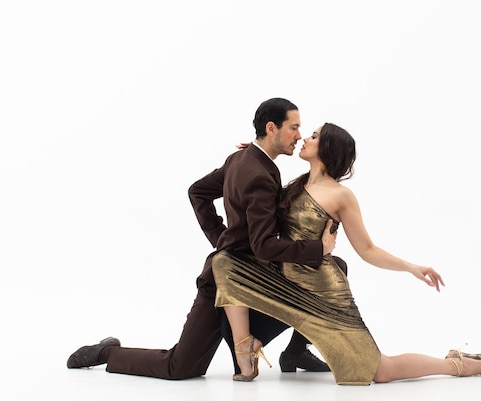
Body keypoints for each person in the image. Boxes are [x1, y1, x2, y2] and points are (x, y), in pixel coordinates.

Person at [66, 98, 345, 378]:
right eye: (294, 127)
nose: (299, 135)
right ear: (272, 128)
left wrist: (222, 239)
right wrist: (315, 248)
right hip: (224, 284)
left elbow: (197, 191)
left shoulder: (245, 159)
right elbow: (262, 244)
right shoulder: (257, 171)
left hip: (251, 279)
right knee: (180, 367)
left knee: (333, 270)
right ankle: (107, 352)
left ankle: (293, 351)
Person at [212, 122, 481, 385]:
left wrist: (411, 266)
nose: (303, 139)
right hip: (285, 282)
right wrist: (254, 155)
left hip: (323, 294)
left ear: (327, 149)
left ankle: (459, 365)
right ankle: (245, 351)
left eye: (313, 136)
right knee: (224, 261)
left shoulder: (341, 196)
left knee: (381, 371)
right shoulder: (297, 185)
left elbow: (368, 249)